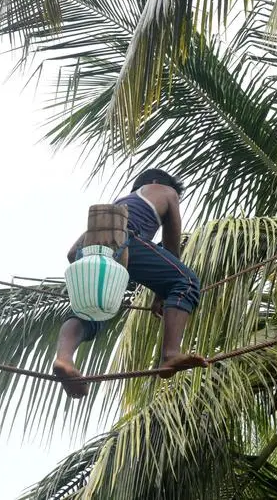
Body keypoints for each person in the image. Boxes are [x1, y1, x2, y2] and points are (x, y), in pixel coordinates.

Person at [53, 169, 209, 398]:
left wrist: (94, 277)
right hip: (126, 239)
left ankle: (64, 359)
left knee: (93, 309)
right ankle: (171, 354)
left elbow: (73, 252)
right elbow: (171, 241)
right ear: (156, 182)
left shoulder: (120, 204)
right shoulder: (165, 191)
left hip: (89, 251)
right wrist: (162, 292)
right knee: (185, 282)